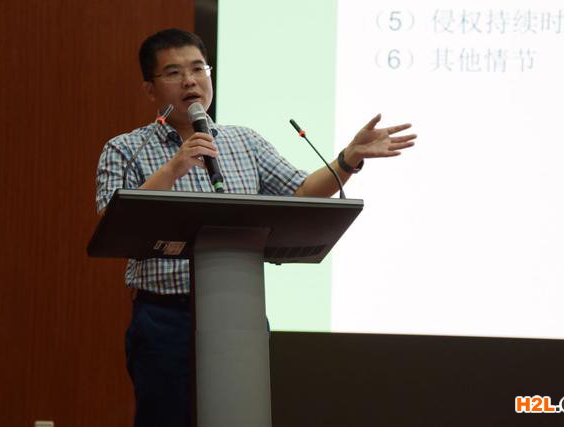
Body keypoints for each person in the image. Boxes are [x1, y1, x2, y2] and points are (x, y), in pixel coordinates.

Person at [95, 28, 416, 427]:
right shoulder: (125, 148)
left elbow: (301, 192)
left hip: (238, 312)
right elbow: (114, 221)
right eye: (174, 72)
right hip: (165, 318)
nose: (190, 81)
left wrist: (348, 159)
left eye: (198, 68)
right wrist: (174, 167)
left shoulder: (244, 142)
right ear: (150, 89)